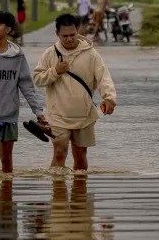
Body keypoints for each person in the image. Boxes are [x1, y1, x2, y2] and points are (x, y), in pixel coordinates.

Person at [33, 14, 116, 171]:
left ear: (78, 31)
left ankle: (80, 194)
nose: (69, 39)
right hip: (58, 114)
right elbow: (37, 79)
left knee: (80, 155)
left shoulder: (91, 54)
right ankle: (58, 194)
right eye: (65, 36)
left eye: (72, 35)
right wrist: (55, 71)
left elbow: (103, 78)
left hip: (84, 114)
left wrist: (109, 98)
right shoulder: (50, 54)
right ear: (57, 34)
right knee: (59, 152)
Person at [0, 10, 47, 173]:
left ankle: (6, 195)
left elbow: (27, 86)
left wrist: (38, 112)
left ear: (8, 30)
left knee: (7, 157)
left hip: (10, 114)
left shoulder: (17, 56)